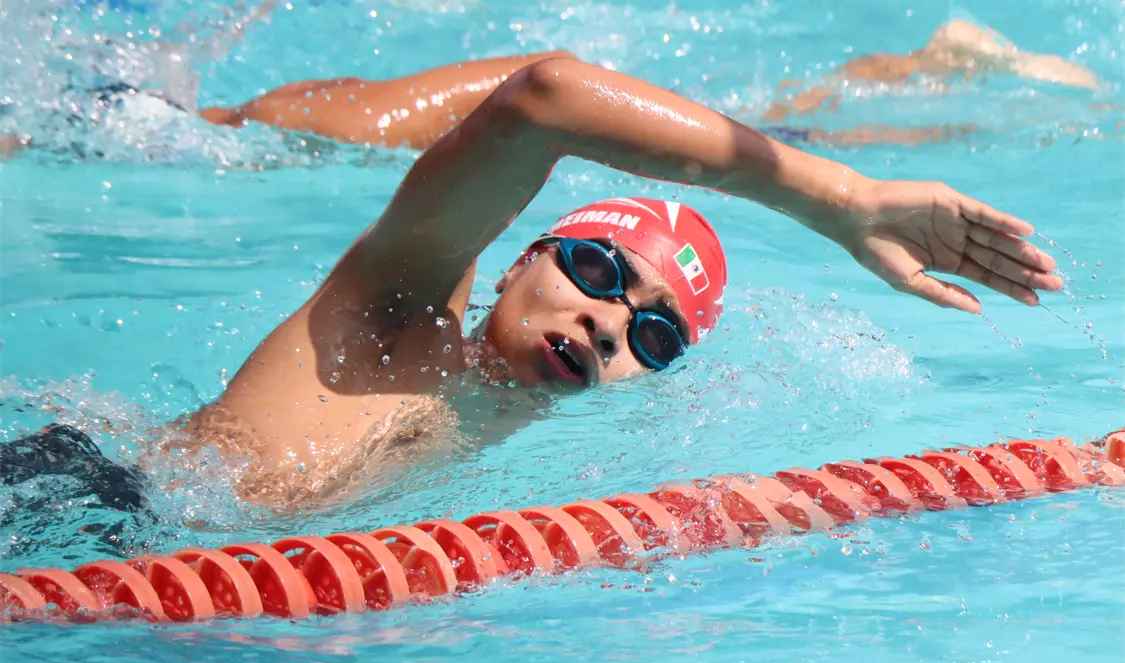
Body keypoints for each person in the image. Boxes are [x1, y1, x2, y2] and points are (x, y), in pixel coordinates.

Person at [2, 31, 1068, 511]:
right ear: (523, 253)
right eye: (601, 271)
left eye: (653, 335)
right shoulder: (401, 316)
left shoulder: (501, 433)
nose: (611, 323)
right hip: (76, 498)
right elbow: (545, 96)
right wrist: (844, 200)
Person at [0, 19, 1100, 158]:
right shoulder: (279, 124)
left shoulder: (308, 125)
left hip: (433, 111)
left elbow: (542, 88)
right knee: (771, 127)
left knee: (767, 133)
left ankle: (918, 77)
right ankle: (912, 77)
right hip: (390, 116)